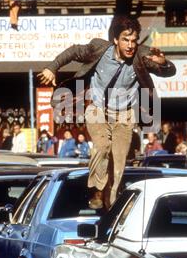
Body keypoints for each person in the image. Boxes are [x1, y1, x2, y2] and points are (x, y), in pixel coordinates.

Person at [38, 14, 176, 210]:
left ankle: (111, 203)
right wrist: (52, 68)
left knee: (119, 162)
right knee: (102, 147)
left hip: (125, 114)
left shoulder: (142, 55)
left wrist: (163, 63)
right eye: (125, 40)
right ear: (115, 40)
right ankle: (96, 189)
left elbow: (169, 71)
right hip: (98, 109)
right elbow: (73, 51)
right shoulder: (98, 49)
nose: (130, 45)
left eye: (134, 40)